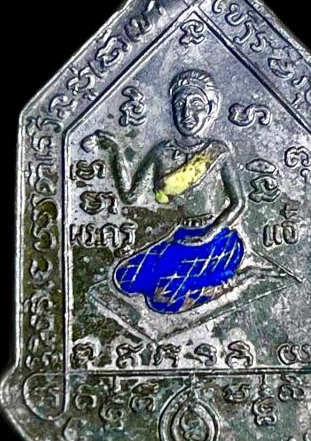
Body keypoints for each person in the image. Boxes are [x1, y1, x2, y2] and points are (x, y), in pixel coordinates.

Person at [91, 68, 246, 314]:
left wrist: (208, 235)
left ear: (210, 110)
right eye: (180, 105)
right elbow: (131, 196)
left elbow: (238, 203)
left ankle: (225, 284)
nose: (187, 114)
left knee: (162, 301)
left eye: (196, 105)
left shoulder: (218, 152)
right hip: (181, 236)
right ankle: (200, 283)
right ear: (172, 109)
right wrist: (115, 151)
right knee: (125, 278)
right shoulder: (161, 151)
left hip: (218, 240)